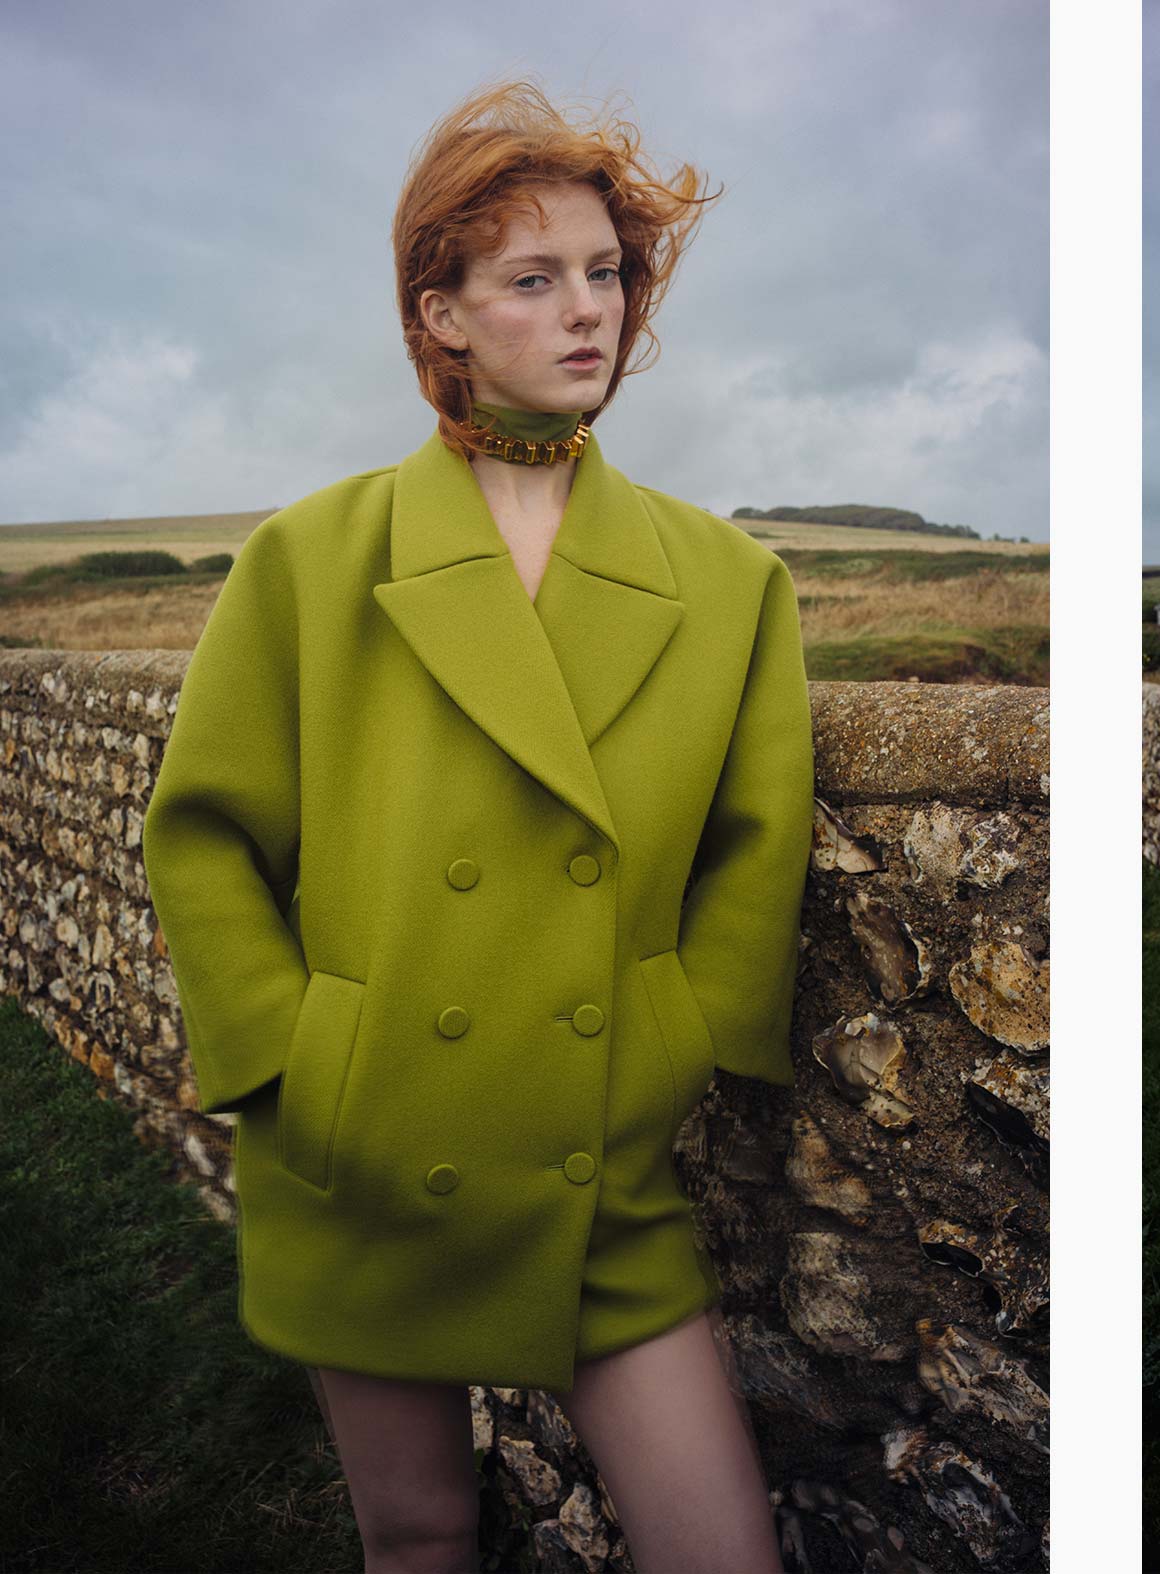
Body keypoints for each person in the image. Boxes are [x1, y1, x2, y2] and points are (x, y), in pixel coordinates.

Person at [140, 78, 807, 1573]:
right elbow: (203, 834)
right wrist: (296, 1061)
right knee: (422, 1535)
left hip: (602, 1158)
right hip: (362, 1150)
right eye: (532, 278)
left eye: (608, 271)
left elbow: (756, 854)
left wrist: (675, 1033)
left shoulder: (732, 580)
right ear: (438, 315)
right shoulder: (310, 559)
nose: (592, 311)